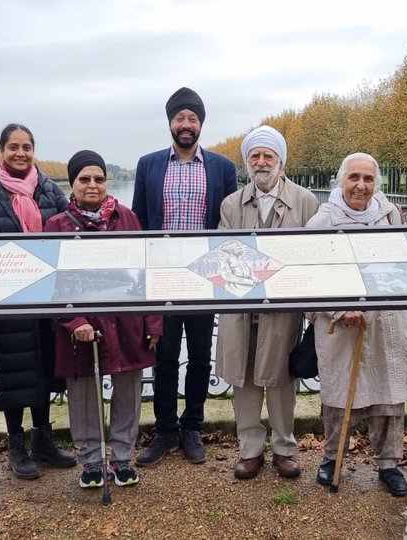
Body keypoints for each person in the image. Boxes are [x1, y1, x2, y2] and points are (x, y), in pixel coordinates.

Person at [132, 87, 238, 466]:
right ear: (170, 123)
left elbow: (229, 226)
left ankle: (191, 426)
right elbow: (140, 221)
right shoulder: (149, 165)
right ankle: (163, 431)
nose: (186, 124)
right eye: (180, 118)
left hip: (204, 276)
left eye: (192, 118)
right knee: (163, 355)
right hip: (162, 276)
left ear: (201, 124)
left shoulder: (223, 169)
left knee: (199, 356)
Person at [305, 152, 407, 497]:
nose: (361, 185)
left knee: (389, 394)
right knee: (340, 395)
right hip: (342, 327)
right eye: (354, 177)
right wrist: (340, 311)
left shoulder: (391, 216)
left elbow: (406, 266)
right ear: (341, 181)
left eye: (368, 179)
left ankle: (389, 463)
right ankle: (332, 457)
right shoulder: (321, 222)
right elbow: (308, 278)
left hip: (385, 322)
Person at [46, 150, 163, 489]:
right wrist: (74, 321)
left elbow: (146, 272)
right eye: (84, 179)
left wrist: (153, 321)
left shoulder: (127, 218)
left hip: (127, 321)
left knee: (128, 391)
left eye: (99, 178)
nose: (92, 185)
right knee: (83, 394)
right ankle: (91, 461)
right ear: (73, 184)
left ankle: (123, 457)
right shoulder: (57, 225)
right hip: (81, 327)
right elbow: (54, 282)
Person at [0, 123, 76, 479]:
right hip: (9, 296)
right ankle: (16, 444)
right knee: (14, 371)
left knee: (45, 368)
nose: (20, 153)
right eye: (13, 146)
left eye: (26, 146)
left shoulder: (50, 189)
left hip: (47, 295)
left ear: (34, 150)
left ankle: (42, 439)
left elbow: (65, 228)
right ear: (2, 150)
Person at [214, 126, 318, 479]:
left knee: (281, 379)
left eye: (268, 156)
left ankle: (285, 448)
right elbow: (224, 256)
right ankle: (249, 449)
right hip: (240, 307)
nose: (261, 162)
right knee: (243, 379)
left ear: (280, 161)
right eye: (254, 156)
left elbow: (310, 256)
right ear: (247, 162)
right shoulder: (231, 204)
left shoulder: (305, 201)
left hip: (283, 308)